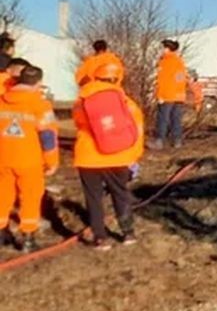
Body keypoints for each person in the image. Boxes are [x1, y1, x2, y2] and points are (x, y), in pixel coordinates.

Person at [73, 62, 145, 250]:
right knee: (120, 193)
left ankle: (100, 238)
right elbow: (137, 131)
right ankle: (128, 233)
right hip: (118, 157)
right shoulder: (127, 103)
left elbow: (78, 122)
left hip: (88, 157)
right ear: (118, 79)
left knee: (93, 198)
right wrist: (134, 157)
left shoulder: (82, 100)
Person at [0, 65, 59, 252]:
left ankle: (1, 233)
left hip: (3, 158)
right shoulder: (40, 105)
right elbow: (48, 137)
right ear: (39, 82)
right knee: (30, 197)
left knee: (3, 195)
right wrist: (52, 162)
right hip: (29, 160)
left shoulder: (2, 100)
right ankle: (28, 238)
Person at [152, 39, 189, 149]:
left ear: (167, 49)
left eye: (162, 48)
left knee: (163, 119)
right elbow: (181, 78)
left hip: (167, 95)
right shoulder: (179, 61)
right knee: (176, 119)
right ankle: (177, 141)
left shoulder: (165, 61)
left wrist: (160, 95)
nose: (161, 50)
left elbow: (162, 80)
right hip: (179, 95)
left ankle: (159, 141)